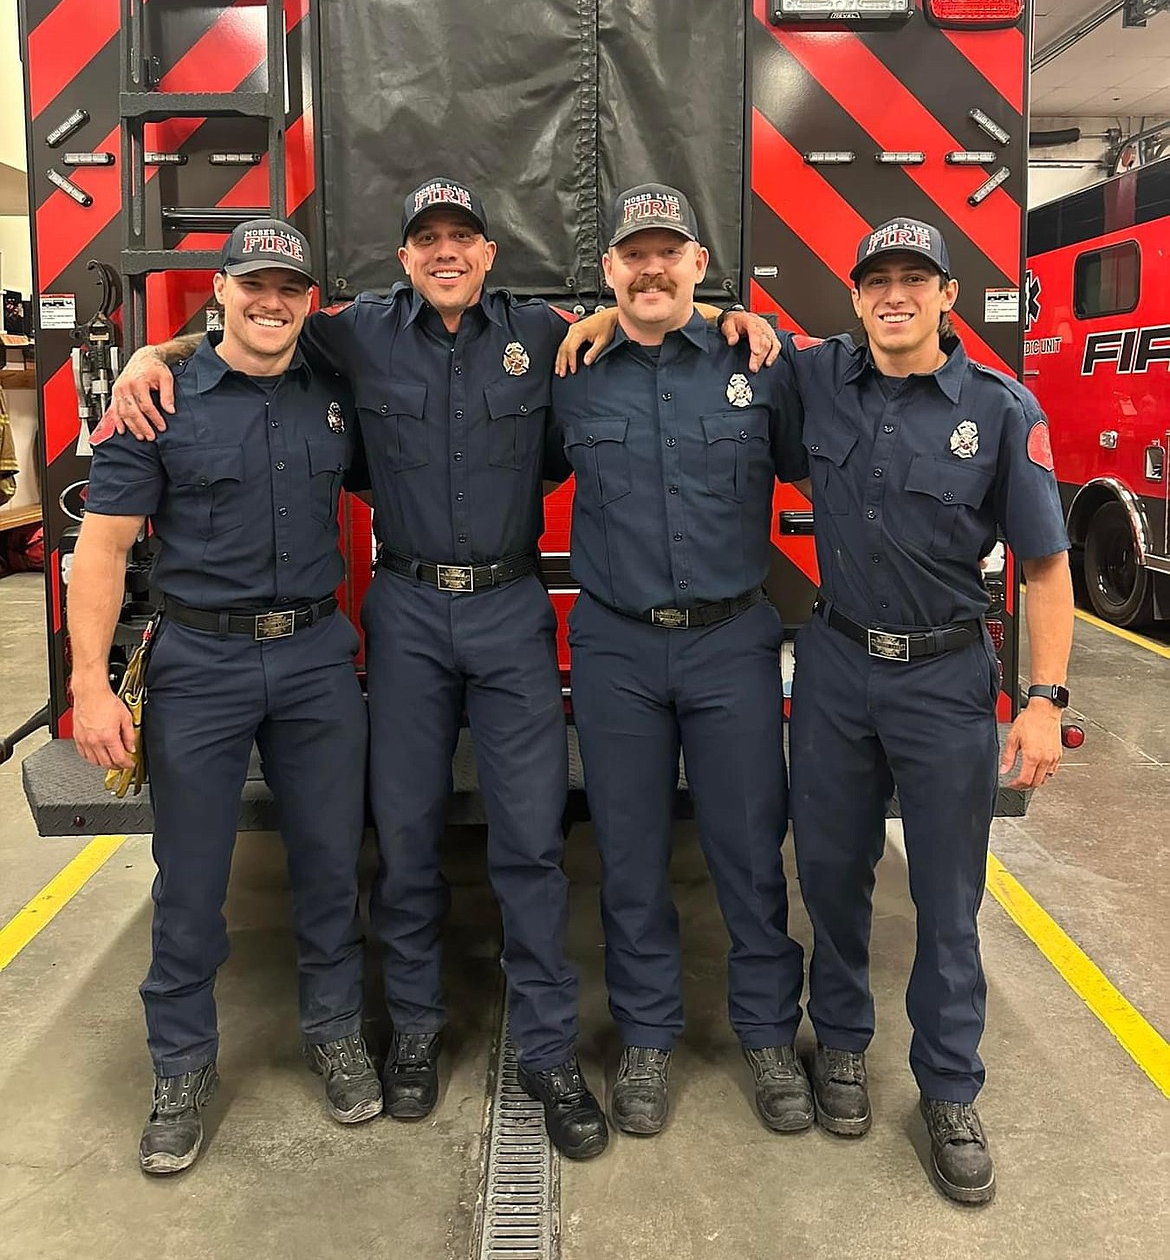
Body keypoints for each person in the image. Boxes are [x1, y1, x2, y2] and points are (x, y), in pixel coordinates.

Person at [109, 177, 779, 1160]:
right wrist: (149, 354)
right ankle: (415, 1032)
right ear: (405, 256)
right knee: (407, 840)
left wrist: (724, 313)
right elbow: (252, 332)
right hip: (407, 611)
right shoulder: (357, 333)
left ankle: (548, 1049)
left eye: (464, 236)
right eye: (428, 239)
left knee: (530, 843)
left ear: (491, 253)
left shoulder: (553, 334)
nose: (447, 252)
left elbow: (644, 311)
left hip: (510, 611)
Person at [70, 220, 379, 1177]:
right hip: (199, 665)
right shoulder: (153, 404)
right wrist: (87, 684)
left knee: (332, 862)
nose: (272, 302)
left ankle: (334, 1030)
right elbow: (103, 550)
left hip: (319, 656)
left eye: (290, 287)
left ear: (309, 299)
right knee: (192, 878)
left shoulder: (336, 391)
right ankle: (181, 1066)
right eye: (255, 285)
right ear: (222, 289)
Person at [784, 218, 1073, 1205]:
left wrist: (1043, 700)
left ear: (948, 297)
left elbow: (1045, 566)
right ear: (856, 296)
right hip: (833, 665)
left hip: (947, 680)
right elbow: (711, 338)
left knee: (950, 899)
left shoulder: (999, 409)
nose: (894, 295)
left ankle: (950, 1089)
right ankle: (845, 1047)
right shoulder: (819, 378)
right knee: (829, 875)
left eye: (916, 279)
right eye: (878, 281)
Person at [547, 184, 812, 1140]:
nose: (650, 269)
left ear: (701, 266)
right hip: (615, 641)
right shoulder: (568, 368)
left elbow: (829, 434)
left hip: (732, 640)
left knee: (748, 850)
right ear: (608, 271)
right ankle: (648, 1037)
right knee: (627, 855)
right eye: (633, 255)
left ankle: (769, 1038)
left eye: (670, 253)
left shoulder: (761, 361)